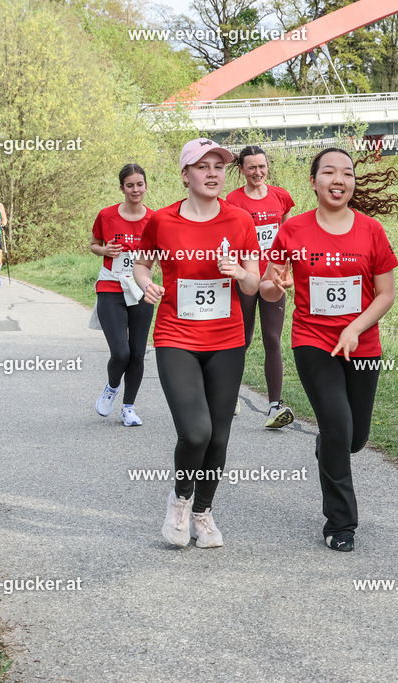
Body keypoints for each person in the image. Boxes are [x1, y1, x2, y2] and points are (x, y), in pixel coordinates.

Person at [260, 148, 398, 552]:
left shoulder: (371, 231)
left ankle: (329, 447)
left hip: (362, 344)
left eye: (347, 173)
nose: (339, 180)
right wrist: (276, 286)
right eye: (329, 172)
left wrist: (355, 328)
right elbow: (268, 286)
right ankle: (341, 524)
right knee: (338, 427)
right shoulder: (293, 230)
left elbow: (386, 294)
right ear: (313, 182)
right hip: (314, 341)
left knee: (354, 439)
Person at [133, 138, 261, 548]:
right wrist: (147, 284)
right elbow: (141, 264)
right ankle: (180, 501)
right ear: (185, 174)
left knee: (219, 436)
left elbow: (254, 283)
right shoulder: (162, 221)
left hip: (227, 339)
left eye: (218, 166)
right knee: (195, 432)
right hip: (176, 336)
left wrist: (240, 273)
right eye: (202, 166)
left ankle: (203, 512)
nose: (212, 173)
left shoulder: (240, 220)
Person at [225, 145, 296, 428]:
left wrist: (289, 265)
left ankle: (274, 407)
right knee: (242, 339)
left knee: (272, 339)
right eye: (252, 167)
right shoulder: (233, 200)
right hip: (246, 275)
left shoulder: (281, 196)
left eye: (262, 166)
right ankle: (229, 395)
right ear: (242, 169)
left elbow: (289, 233)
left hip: (273, 276)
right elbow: (230, 237)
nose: (258, 172)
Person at [89, 163, 155, 427]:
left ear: (146, 186)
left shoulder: (155, 219)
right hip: (110, 287)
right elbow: (94, 244)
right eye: (130, 185)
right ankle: (112, 387)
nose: (135, 190)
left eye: (139, 184)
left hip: (141, 290)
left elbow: (164, 252)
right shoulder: (106, 215)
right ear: (122, 188)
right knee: (121, 352)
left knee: (137, 353)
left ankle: (129, 407)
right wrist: (104, 251)